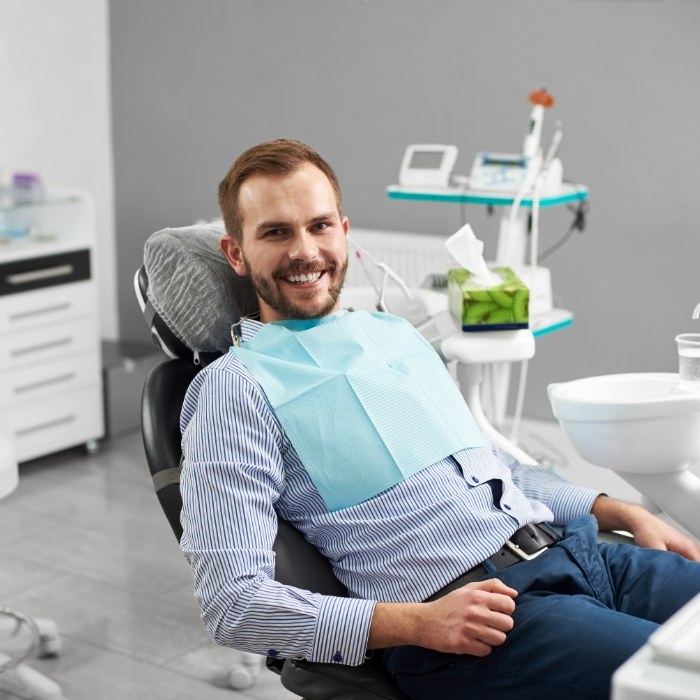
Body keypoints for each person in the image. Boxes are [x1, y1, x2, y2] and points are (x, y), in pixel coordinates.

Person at [179, 138, 700, 700]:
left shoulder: (392, 336)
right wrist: (418, 625)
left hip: (578, 552)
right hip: (474, 622)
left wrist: (617, 509)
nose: (305, 251)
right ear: (236, 253)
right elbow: (231, 603)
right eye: (276, 232)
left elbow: (491, 465)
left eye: (320, 226)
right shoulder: (233, 390)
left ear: (344, 232)